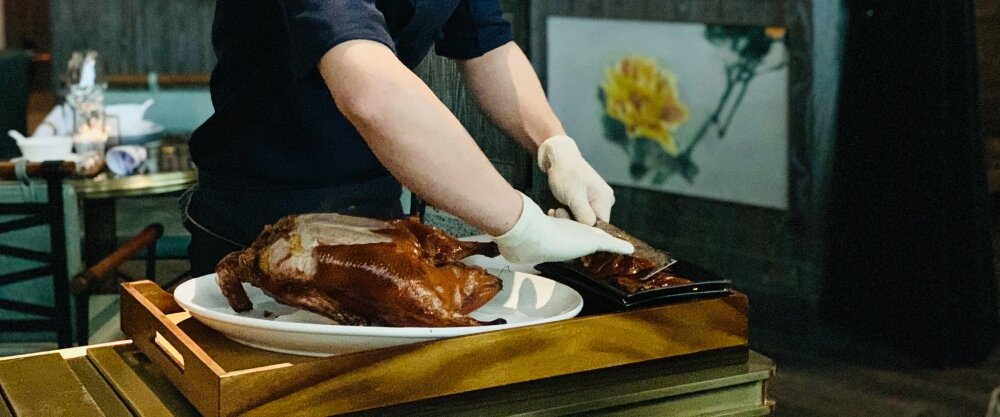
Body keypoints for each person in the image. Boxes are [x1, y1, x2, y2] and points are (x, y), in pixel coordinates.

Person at [182, 0, 634, 276]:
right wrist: (521, 223)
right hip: (256, 216)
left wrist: (557, 147)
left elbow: (487, 44)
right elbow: (368, 90)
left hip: (376, 205)